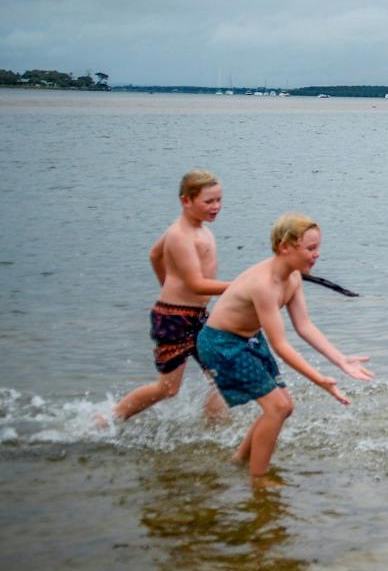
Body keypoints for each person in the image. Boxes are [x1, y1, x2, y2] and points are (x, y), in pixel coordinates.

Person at [196, 213, 374, 475]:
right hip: (221, 344)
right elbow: (280, 345)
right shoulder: (264, 284)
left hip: (247, 339)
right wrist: (319, 379)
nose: (317, 255)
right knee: (277, 407)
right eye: (310, 248)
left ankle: (239, 460)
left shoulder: (293, 278)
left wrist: (340, 359)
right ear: (284, 247)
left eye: (318, 248)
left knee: (284, 407)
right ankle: (258, 480)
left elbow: (304, 326)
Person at [106, 169, 231, 426]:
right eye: (208, 202)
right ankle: (108, 420)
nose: (216, 207)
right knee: (167, 388)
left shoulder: (199, 229)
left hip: (196, 316)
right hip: (174, 319)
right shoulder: (180, 234)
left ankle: (214, 432)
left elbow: (154, 254)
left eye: (219, 200)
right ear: (186, 201)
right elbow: (196, 284)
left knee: (224, 377)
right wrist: (241, 286)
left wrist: (167, 284)